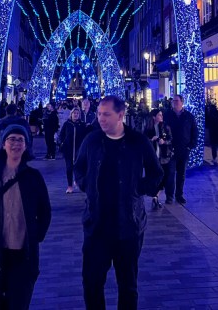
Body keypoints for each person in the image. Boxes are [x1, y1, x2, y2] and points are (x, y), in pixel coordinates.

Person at [74, 95, 163, 309]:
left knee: (128, 286)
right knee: (92, 283)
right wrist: (87, 185)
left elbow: (156, 174)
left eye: (106, 114)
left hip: (128, 226)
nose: (101, 119)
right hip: (96, 227)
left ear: (121, 115)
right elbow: (79, 167)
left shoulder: (137, 141)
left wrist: (137, 189)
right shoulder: (92, 140)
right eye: (99, 114)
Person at [0, 124, 51, 310]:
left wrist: (36, 235)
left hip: (24, 253)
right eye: (11, 139)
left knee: (18, 302)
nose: (16, 144)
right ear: (3, 144)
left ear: (26, 146)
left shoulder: (34, 177)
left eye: (20, 140)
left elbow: (45, 210)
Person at [164, 94, 198, 205]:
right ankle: (169, 196)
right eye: (173, 101)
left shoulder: (189, 116)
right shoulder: (168, 115)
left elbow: (195, 132)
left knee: (181, 174)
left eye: (177, 101)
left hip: (184, 150)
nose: (175, 103)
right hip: (171, 150)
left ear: (182, 102)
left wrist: (190, 146)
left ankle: (179, 195)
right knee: (170, 173)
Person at [143, 108, 173, 210]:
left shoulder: (165, 126)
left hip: (164, 156)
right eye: (159, 115)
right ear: (154, 117)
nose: (161, 117)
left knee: (165, 176)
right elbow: (143, 140)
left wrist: (163, 142)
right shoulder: (148, 127)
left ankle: (156, 196)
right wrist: (151, 140)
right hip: (153, 158)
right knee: (155, 177)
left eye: (161, 115)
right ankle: (155, 197)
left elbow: (170, 139)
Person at [59, 107, 88, 193]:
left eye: (77, 113)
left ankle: (77, 182)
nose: (75, 115)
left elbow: (86, 135)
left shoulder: (82, 124)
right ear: (71, 114)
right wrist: (62, 143)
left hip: (79, 150)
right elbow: (62, 134)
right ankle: (69, 186)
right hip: (68, 150)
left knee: (78, 167)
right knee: (69, 168)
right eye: (74, 113)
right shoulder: (67, 124)